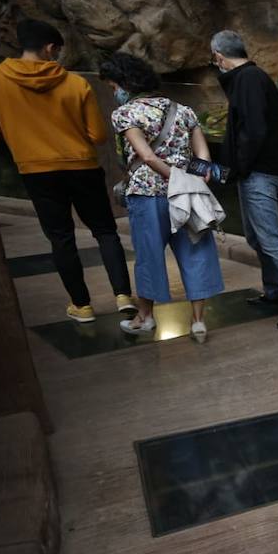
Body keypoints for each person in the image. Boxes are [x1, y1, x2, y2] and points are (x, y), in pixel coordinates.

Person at [0, 19, 135, 322]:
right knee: (104, 231)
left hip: (36, 171)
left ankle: (82, 305)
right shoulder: (75, 83)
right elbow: (98, 136)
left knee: (61, 237)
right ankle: (123, 296)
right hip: (83, 166)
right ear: (50, 48)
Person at [98, 53, 224, 341]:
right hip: (188, 195)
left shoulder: (126, 113)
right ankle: (198, 322)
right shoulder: (184, 110)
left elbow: (146, 156)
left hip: (148, 194)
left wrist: (172, 177)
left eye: (112, 86)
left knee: (149, 256)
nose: (113, 92)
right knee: (197, 252)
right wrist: (195, 177)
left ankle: (145, 318)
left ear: (123, 84)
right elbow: (203, 154)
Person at [210, 29, 278, 330]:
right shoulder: (246, 79)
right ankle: (275, 292)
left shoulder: (250, 80)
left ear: (219, 56)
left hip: (259, 172)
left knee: (270, 238)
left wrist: (237, 167)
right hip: (252, 171)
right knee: (257, 237)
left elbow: (254, 131)